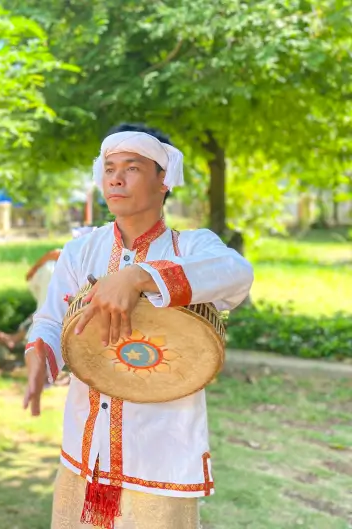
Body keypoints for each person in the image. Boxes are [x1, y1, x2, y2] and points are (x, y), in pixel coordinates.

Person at [23, 124, 254, 529]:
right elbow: (49, 320)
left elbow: (237, 273)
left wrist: (139, 277)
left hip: (161, 454)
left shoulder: (191, 247)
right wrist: (39, 352)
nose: (115, 178)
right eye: (109, 168)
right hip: (85, 451)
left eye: (132, 168)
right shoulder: (81, 250)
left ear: (164, 181)